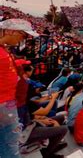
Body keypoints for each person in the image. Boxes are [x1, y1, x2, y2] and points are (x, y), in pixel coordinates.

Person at [0, 19, 38, 158]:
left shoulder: (4, 50)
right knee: (11, 149)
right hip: (4, 106)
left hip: (7, 105)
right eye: (23, 35)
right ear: (11, 31)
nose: (24, 39)